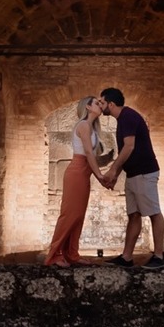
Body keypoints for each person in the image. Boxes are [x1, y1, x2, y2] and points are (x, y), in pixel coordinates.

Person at [99, 88, 164, 269]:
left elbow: (129, 147)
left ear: (111, 104)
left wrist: (113, 171)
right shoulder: (122, 119)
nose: (100, 106)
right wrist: (117, 174)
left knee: (153, 212)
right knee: (134, 215)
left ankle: (159, 257)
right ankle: (127, 257)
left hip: (145, 172)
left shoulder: (128, 117)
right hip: (134, 173)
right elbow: (126, 152)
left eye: (102, 102)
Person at [44, 95, 108, 265]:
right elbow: (87, 153)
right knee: (69, 214)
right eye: (96, 103)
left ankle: (72, 253)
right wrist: (100, 176)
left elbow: (92, 156)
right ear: (87, 107)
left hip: (84, 172)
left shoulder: (92, 128)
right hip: (77, 171)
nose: (100, 106)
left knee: (79, 215)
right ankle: (54, 255)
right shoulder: (83, 125)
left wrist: (100, 175)